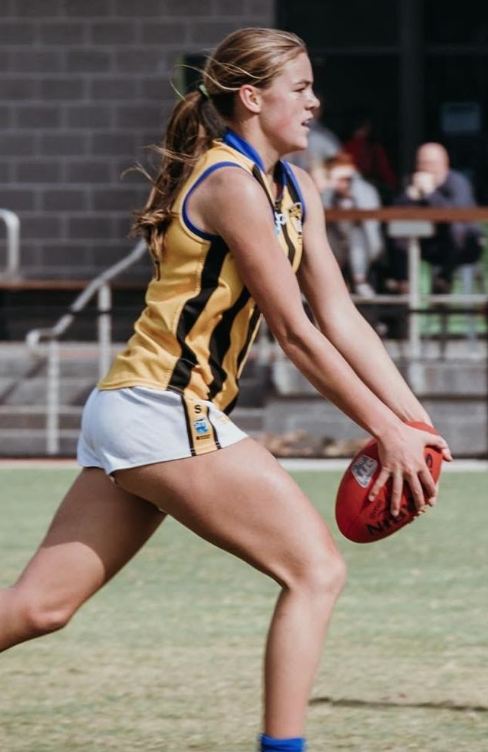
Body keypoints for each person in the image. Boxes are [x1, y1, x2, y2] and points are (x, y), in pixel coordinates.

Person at [0, 28, 451, 752]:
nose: (315, 102)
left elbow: (340, 316)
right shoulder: (230, 184)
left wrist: (414, 424)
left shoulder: (296, 187)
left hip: (137, 410)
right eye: (300, 88)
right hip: (161, 409)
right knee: (315, 571)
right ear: (252, 97)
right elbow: (295, 332)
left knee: (39, 608)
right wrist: (384, 429)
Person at [388, 142, 485, 293]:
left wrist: (431, 193)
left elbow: (456, 215)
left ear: (445, 163)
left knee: (456, 228)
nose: (427, 168)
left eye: (431, 163)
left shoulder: (458, 183)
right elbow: (395, 212)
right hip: (429, 244)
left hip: (462, 246)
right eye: (422, 163)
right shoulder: (412, 181)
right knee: (399, 232)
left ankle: (444, 279)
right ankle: (403, 281)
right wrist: (409, 196)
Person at [317, 152, 384, 297]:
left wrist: (351, 194)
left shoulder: (364, 190)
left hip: (363, 245)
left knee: (356, 237)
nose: (343, 182)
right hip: (335, 243)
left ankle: (360, 281)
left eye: (346, 179)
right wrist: (329, 187)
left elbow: (370, 224)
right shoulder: (329, 192)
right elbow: (318, 212)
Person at [343, 108, 397, 203]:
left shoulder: (342, 147)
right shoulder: (372, 148)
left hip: (347, 191)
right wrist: (396, 187)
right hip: (366, 189)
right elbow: (385, 172)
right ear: (367, 126)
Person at [287, 94, 341, 172]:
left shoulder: (324, 137)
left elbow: (341, 165)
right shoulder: (286, 133)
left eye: (314, 109)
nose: (310, 113)